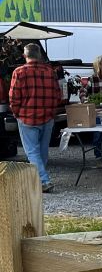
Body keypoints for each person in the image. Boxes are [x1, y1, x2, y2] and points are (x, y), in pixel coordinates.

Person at [8, 42, 62, 192]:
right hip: (47, 117)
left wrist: (17, 113)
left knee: (32, 152)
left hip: (27, 117)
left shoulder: (19, 72)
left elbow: (13, 97)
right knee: (42, 151)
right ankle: (39, 179)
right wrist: (52, 112)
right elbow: (58, 94)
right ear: (39, 55)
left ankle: (44, 181)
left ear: (25, 55)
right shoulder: (50, 71)